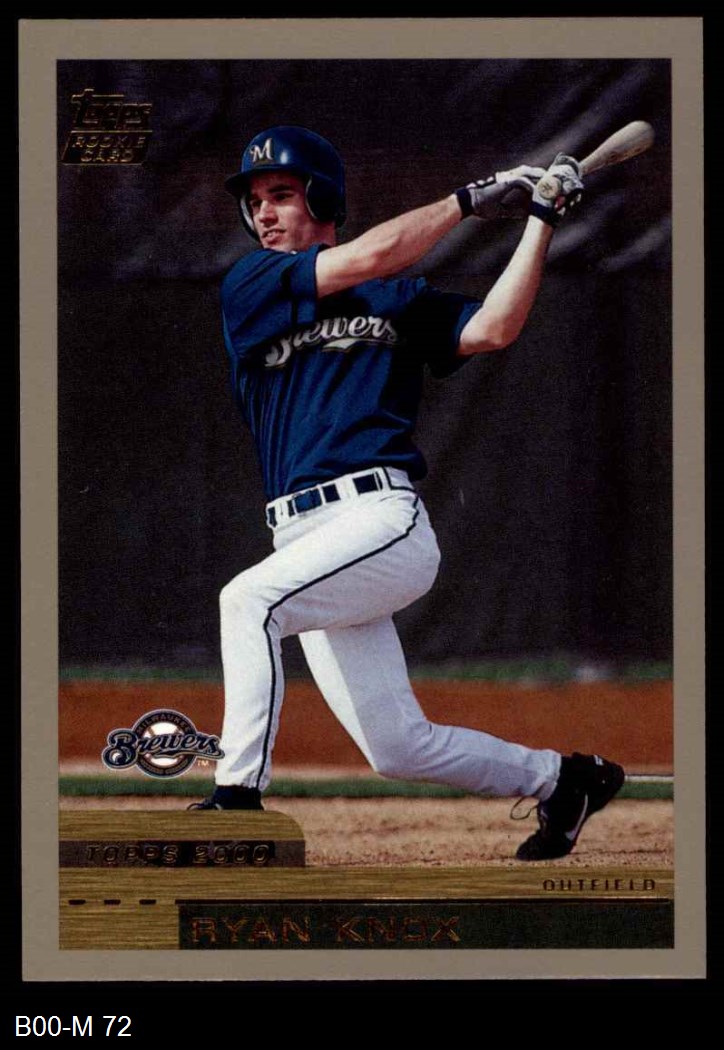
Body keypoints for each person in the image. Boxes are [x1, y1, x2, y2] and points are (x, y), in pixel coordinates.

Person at [189, 125, 624, 862]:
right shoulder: (254, 285)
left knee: (247, 601)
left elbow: (492, 328)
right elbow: (366, 256)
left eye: (282, 195)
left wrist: (539, 221)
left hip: (378, 519)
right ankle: (563, 780)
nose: (263, 213)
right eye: (255, 200)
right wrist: (468, 201)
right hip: (303, 539)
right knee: (396, 746)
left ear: (321, 198)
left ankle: (236, 799)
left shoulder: (396, 300)